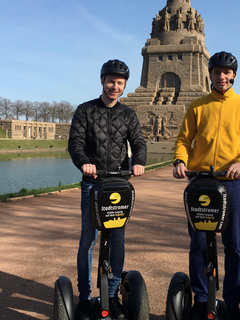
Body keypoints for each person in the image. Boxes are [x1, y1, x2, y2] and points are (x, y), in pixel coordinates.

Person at [172, 51, 240, 320]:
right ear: (209, 74)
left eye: (226, 72)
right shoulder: (198, 106)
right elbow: (183, 140)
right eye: (216, 72)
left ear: (234, 75)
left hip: (232, 182)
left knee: (233, 244)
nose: (221, 77)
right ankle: (201, 298)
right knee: (198, 243)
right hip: (200, 182)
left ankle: (232, 303)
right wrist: (179, 160)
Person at [68, 59, 147, 320]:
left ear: (125, 86)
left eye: (120, 83)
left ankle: (111, 295)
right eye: (111, 81)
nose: (115, 86)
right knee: (88, 241)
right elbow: (75, 143)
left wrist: (138, 162)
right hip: (93, 183)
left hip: (118, 185)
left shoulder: (128, 114)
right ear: (102, 81)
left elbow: (138, 142)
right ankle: (84, 296)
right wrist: (84, 163)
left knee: (117, 240)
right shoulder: (85, 110)